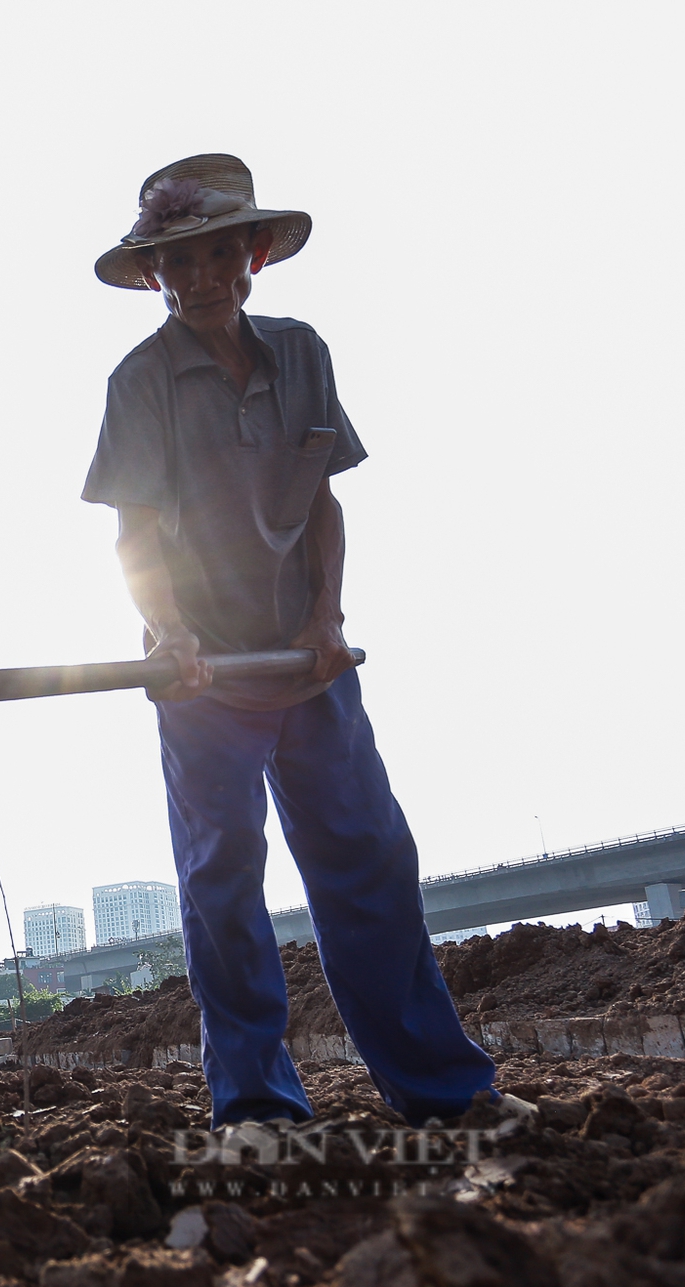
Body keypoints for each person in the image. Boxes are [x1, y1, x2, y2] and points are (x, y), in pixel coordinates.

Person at [83, 154, 502, 1127]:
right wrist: (170, 632)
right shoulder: (138, 382)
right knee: (222, 881)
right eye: (170, 264)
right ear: (151, 275)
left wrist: (326, 620)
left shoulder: (302, 353)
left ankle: (441, 1091)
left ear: (252, 254)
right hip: (201, 675)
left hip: (303, 660)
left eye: (211, 255)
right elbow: (134, 535)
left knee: (367, 861)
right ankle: (260, 1109)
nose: (191, 280)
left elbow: (319, 502)